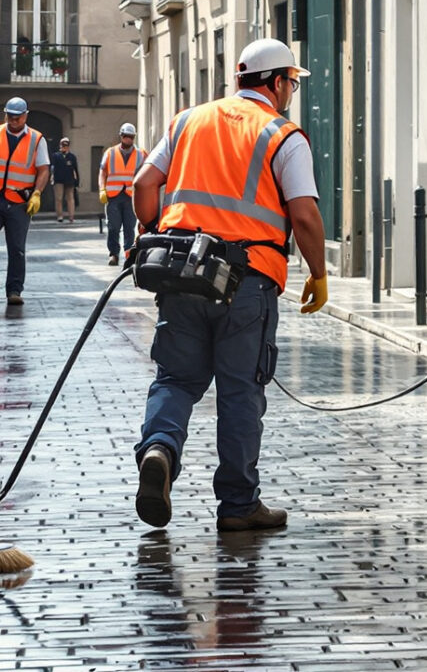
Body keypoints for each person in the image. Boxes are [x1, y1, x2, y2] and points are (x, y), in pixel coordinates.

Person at [129, 39, 330, 533]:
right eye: (292, 83)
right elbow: (303, 214)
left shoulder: (186, 121)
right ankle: (239, 505)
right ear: (277, 82)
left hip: (181, 274)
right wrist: (320, 274)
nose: (292, 92)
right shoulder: (283, 135)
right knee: (240, 393)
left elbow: (142, 186)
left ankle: (159, 449)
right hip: (247, 281)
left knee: (175, 379)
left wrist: (149, 230)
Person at [0, 98, 51, 306]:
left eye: (18, 117)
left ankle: (14, 290)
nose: (14, 121)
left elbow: (43, 170)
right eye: (10, 116)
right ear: (5, 115)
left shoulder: (37, 139)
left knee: (16, 248)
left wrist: (37, 193)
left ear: (25, 116)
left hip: (19, 202)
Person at [100, 122, 144, 266]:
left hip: (131, 196)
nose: (128, 140)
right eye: (125, 137)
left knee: (129, 228)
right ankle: (113, 254)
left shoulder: (141, 154)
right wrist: (102, 189)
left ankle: (128, 254)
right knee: (113, 227)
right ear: (121, 136)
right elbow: (103, 172)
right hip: (113, 195)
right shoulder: (110, 153)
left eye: (131, 137)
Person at [52, 138, 83, 222]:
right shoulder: (56, 156)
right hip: (58, 179)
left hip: (69, 180)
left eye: (65, 146)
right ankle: (60, 216)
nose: (64, 147)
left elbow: (75, 169)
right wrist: (52, 178)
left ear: (68, 146)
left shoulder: (72, 157)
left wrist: (77, 181)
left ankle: (71, 216)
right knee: (59, 198)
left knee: (70, 198)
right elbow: (52, 168)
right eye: (62, 145)